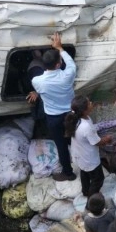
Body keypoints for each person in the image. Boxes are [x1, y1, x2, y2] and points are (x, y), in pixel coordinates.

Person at [29, 32, 78, 181]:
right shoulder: (67, 75)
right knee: (75, 139)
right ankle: (81, 162)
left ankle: (69, 173)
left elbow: (39, 89)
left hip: (54, 118)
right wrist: (60, 48)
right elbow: (71, 63)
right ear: (58, 64)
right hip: (71, 114)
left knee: (61, 145)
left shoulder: (37, 81)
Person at [65, 95, 112, 196]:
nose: (91, 103)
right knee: (98, 180)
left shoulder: (78, 119)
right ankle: (92, 199)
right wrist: (107, 139)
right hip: (89, 158)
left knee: (85, 173)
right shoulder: (85, 126)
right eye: (89, 103)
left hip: (79, 155)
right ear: (84, 110)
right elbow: (97, 142)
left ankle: (85, 192)